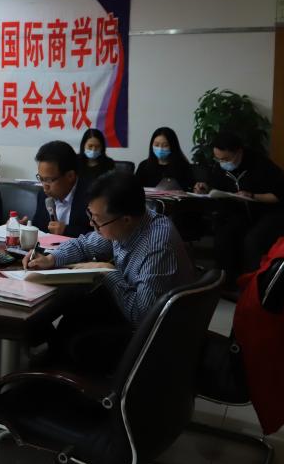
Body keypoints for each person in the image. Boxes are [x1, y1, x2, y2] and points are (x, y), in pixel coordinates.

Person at [25, 172, 195, 370]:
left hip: (152, 338)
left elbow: (141, 316)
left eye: (97, 220)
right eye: (90, 215)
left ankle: (60, 374)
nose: (92, 224)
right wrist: (51, 258)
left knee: (79, 340)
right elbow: (84, 245)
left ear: (125, 219)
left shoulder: (157, 246)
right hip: (132, 311)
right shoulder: (125, 223)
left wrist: (108, 272)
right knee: (76, 313)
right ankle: (51, 364)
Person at [194, 131, 284, 287]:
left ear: (239, 152)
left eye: (226, 159)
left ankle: (252, 285)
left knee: (253, 240)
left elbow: (278, 196)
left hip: (272, 213)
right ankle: (226, 283)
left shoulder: (261, 165)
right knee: (224, 235)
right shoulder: (221, 167)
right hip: (243, 213)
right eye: (218, 159)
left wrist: (253, 196)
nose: (222, 163)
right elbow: (216, 186)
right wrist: (205, 188)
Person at [31, 140, 91, 237]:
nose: (44, 186)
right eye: (41, 179)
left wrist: (67, 231)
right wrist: (25, 227)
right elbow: (38, 227)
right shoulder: (43, 195)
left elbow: (103, 237)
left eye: (49, 180)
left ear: (70, 176)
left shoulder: (92, 197)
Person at [136, 126, 195, 191]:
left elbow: (192, 188)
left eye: (165, 145)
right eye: (156, 145)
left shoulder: (183, 166)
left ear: (173, 146)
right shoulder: (143, 166)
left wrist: (197, 188)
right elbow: (135, 189)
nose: (160, 148)